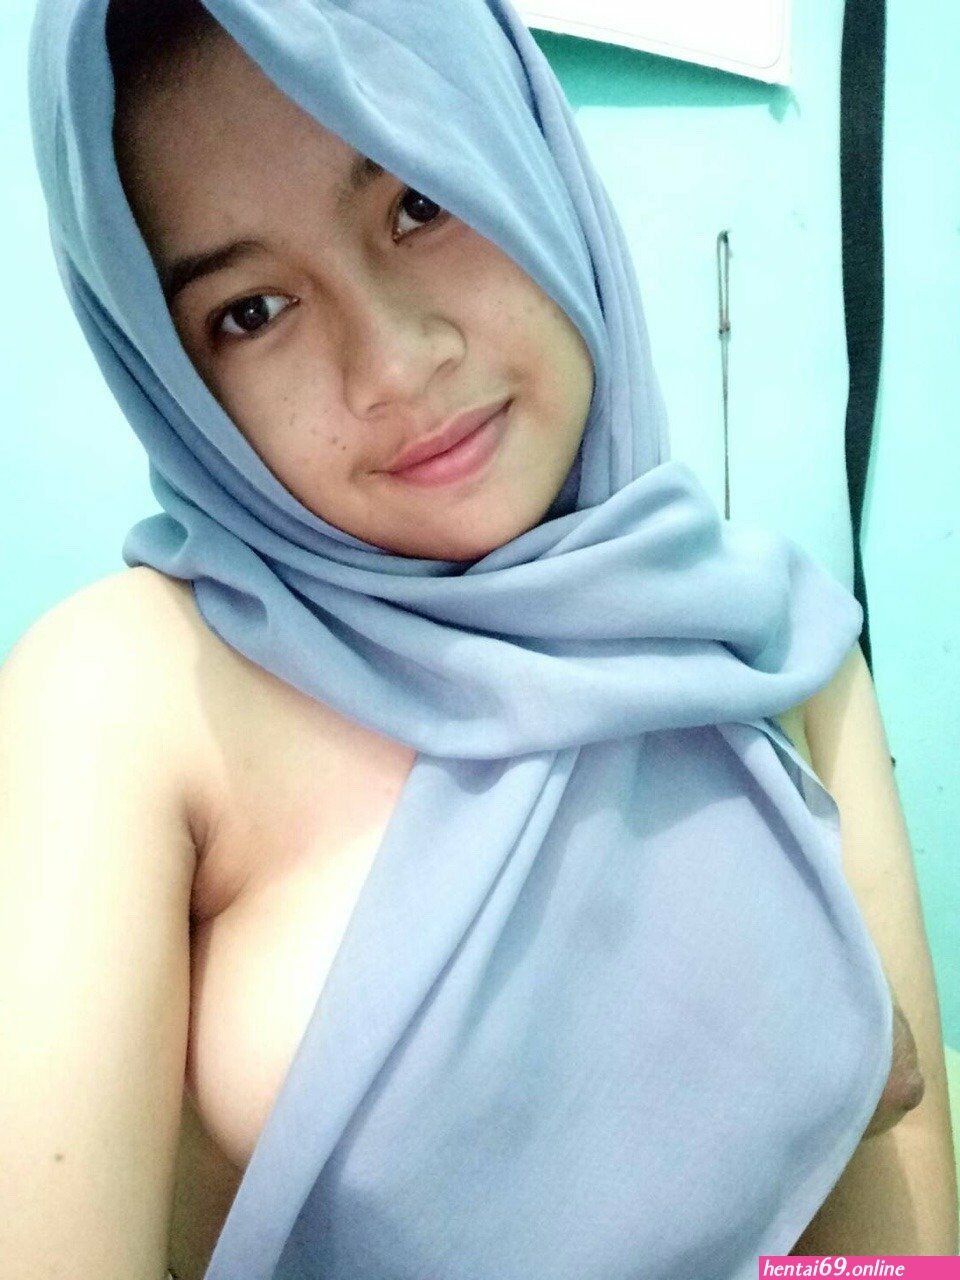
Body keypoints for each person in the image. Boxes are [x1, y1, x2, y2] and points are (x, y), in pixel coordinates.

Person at [5, 0, 954, 1276]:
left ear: (522, 158)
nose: (395, 363)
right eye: (253, 309)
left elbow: (886, 1251)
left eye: (419, 202)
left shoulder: (769, 641)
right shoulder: (128, 698)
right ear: (171, 375)